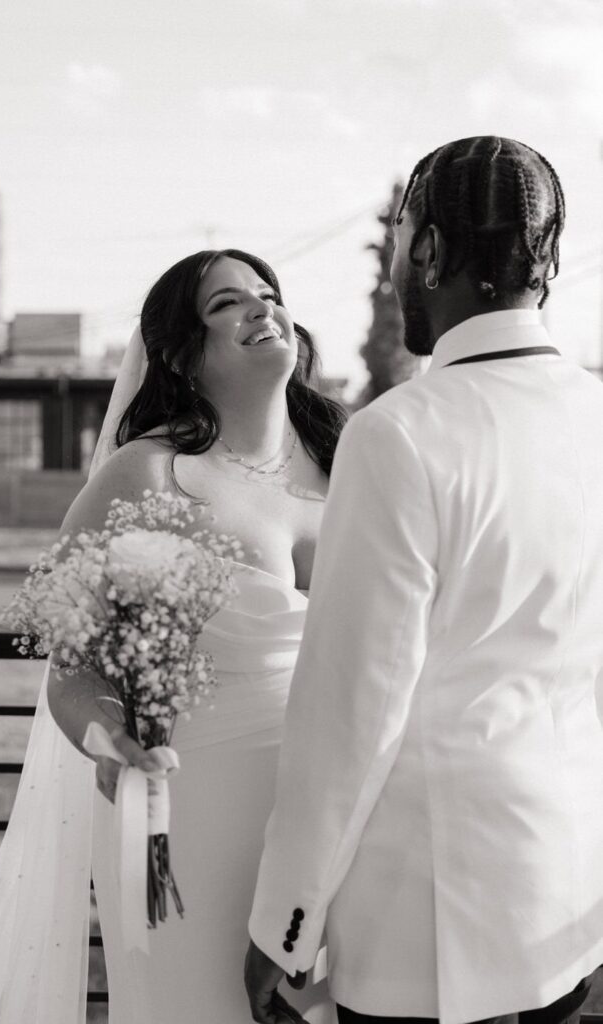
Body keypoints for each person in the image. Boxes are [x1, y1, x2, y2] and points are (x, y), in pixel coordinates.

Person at [0, 248, 345, 1024]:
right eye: (228, 303)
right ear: (184, 353)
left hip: (333, 817)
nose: (262, 310)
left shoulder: (350, 462)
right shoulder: (145, 476)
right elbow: (73, 669)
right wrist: (112, 738)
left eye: (268, 294)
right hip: (185, 816)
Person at [245, 136, 603, 1024]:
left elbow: (351, 708)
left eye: (402, 235)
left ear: (432, 250)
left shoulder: (399, 432)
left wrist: (285, 923)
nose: (397, 262)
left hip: (426, 914)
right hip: (561, 887)